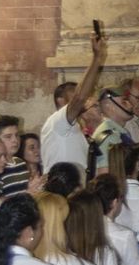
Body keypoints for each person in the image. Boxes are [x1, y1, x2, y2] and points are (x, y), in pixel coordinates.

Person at [41, 33, 106, 174]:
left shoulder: (74, 126)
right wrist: (96, 59)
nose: (84, 99)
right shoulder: (57, 123)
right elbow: (80, 97)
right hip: (61, 192)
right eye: (73, 95)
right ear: (61, 101)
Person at [89, 87, 136, 178]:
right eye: (124, 102)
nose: (130, 106)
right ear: (109, 106)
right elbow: (105, 176)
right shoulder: (109, 136)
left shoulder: (118, 132)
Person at [0, 115, 40, 199]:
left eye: (17, 135)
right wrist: (27, 194)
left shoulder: (20, 162)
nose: (15, 140)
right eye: (8, 137)